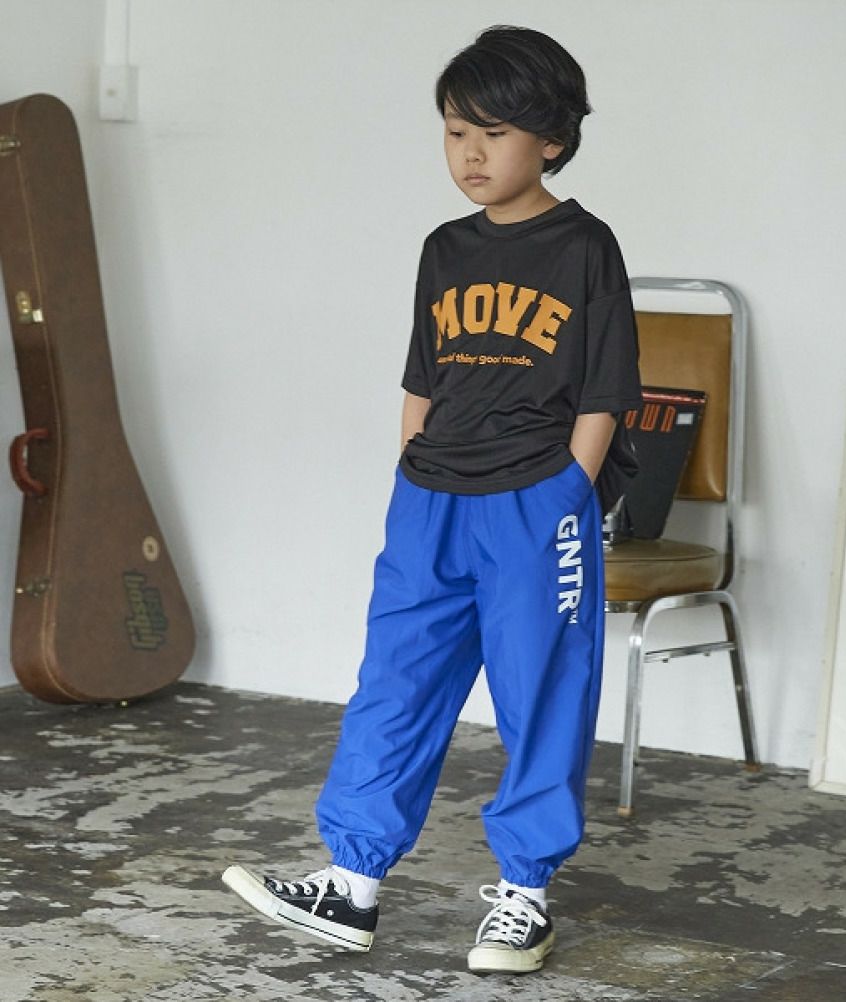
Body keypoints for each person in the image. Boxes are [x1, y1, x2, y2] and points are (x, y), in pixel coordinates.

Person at [222, 24, 642, 975]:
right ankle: (352, 884)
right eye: (455, 133)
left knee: (541, 692)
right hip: (431, 499)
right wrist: (410, 465)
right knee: (396, 681)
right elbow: (423, 374)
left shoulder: (584, 246)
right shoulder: (444, 248)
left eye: (494, 134)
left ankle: (525, 897)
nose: (470, 155)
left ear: (553, 139)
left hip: (534, 503)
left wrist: (567, 490)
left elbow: (607, 392)